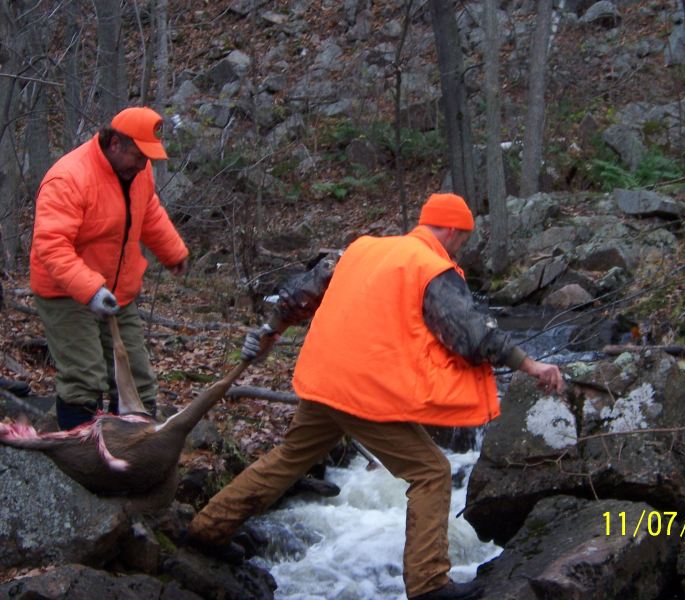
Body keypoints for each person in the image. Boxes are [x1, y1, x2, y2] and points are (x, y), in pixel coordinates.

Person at [187, 193, 563, 600]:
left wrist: (271, 330)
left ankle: (210, 527)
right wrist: (529, 364)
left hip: (323, 378)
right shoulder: (430, 267)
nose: (460, 248)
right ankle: (428, 583)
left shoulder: (362, 249)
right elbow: (470, 335)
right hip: (362, 389)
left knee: (289, 457)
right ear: (453, 230)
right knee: (432, 472)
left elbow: (300, 294)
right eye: (463, 239)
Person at [30, 106, 189, 430]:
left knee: (137, 380)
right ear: (115, 143)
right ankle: (82, 451)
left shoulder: (138, 172)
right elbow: (51, 245)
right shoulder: (69, 178)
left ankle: (133, 448)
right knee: (85, 379)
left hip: (117, 290)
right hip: (65, 292)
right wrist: (90, 290)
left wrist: (172, 251)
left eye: (148, 158)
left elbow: (148, 211)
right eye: (138, 156)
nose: (143, 165)